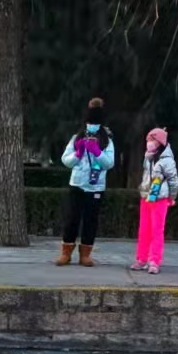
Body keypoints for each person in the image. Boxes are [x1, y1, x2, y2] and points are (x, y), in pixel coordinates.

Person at [58, 98, 116, 267]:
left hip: (95, 186)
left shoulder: (107, 141)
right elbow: (65, 160)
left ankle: (85, 255)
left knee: (91, 220)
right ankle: (66, 253)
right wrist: (78, 153)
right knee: (71, 219)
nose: (91, 128)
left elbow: (109, 163)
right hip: (77, 184)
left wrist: (97, 151)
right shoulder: (77, 137)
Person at [131, 127, 178, 274]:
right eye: (148, 140)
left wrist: (172, 197)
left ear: (159, 142)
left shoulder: (167, 160)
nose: (148, 143)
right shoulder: (148, 157)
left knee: (157, 230)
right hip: (146, 196)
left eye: (151, 140)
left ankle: (154, 260)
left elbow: (174, 181)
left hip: (160, 198)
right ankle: (142, 258)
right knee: (144, 229)